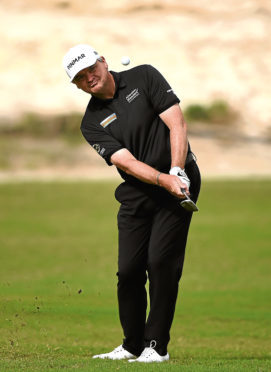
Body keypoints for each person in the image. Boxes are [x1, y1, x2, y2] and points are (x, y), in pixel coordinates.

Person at [62, 44, 201, 363]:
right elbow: (126, 162)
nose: (89, 78)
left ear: (103, 61)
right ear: (77, 86)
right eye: (81, 78)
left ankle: (157, 347)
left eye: (91, 69)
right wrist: (161, 179)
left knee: (161, 263)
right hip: (138, 192)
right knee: (128, 271)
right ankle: (132, 345)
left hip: (178, 181)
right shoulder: (91, 123)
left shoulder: (144, 76)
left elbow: (176, 123)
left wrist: (176, 172)